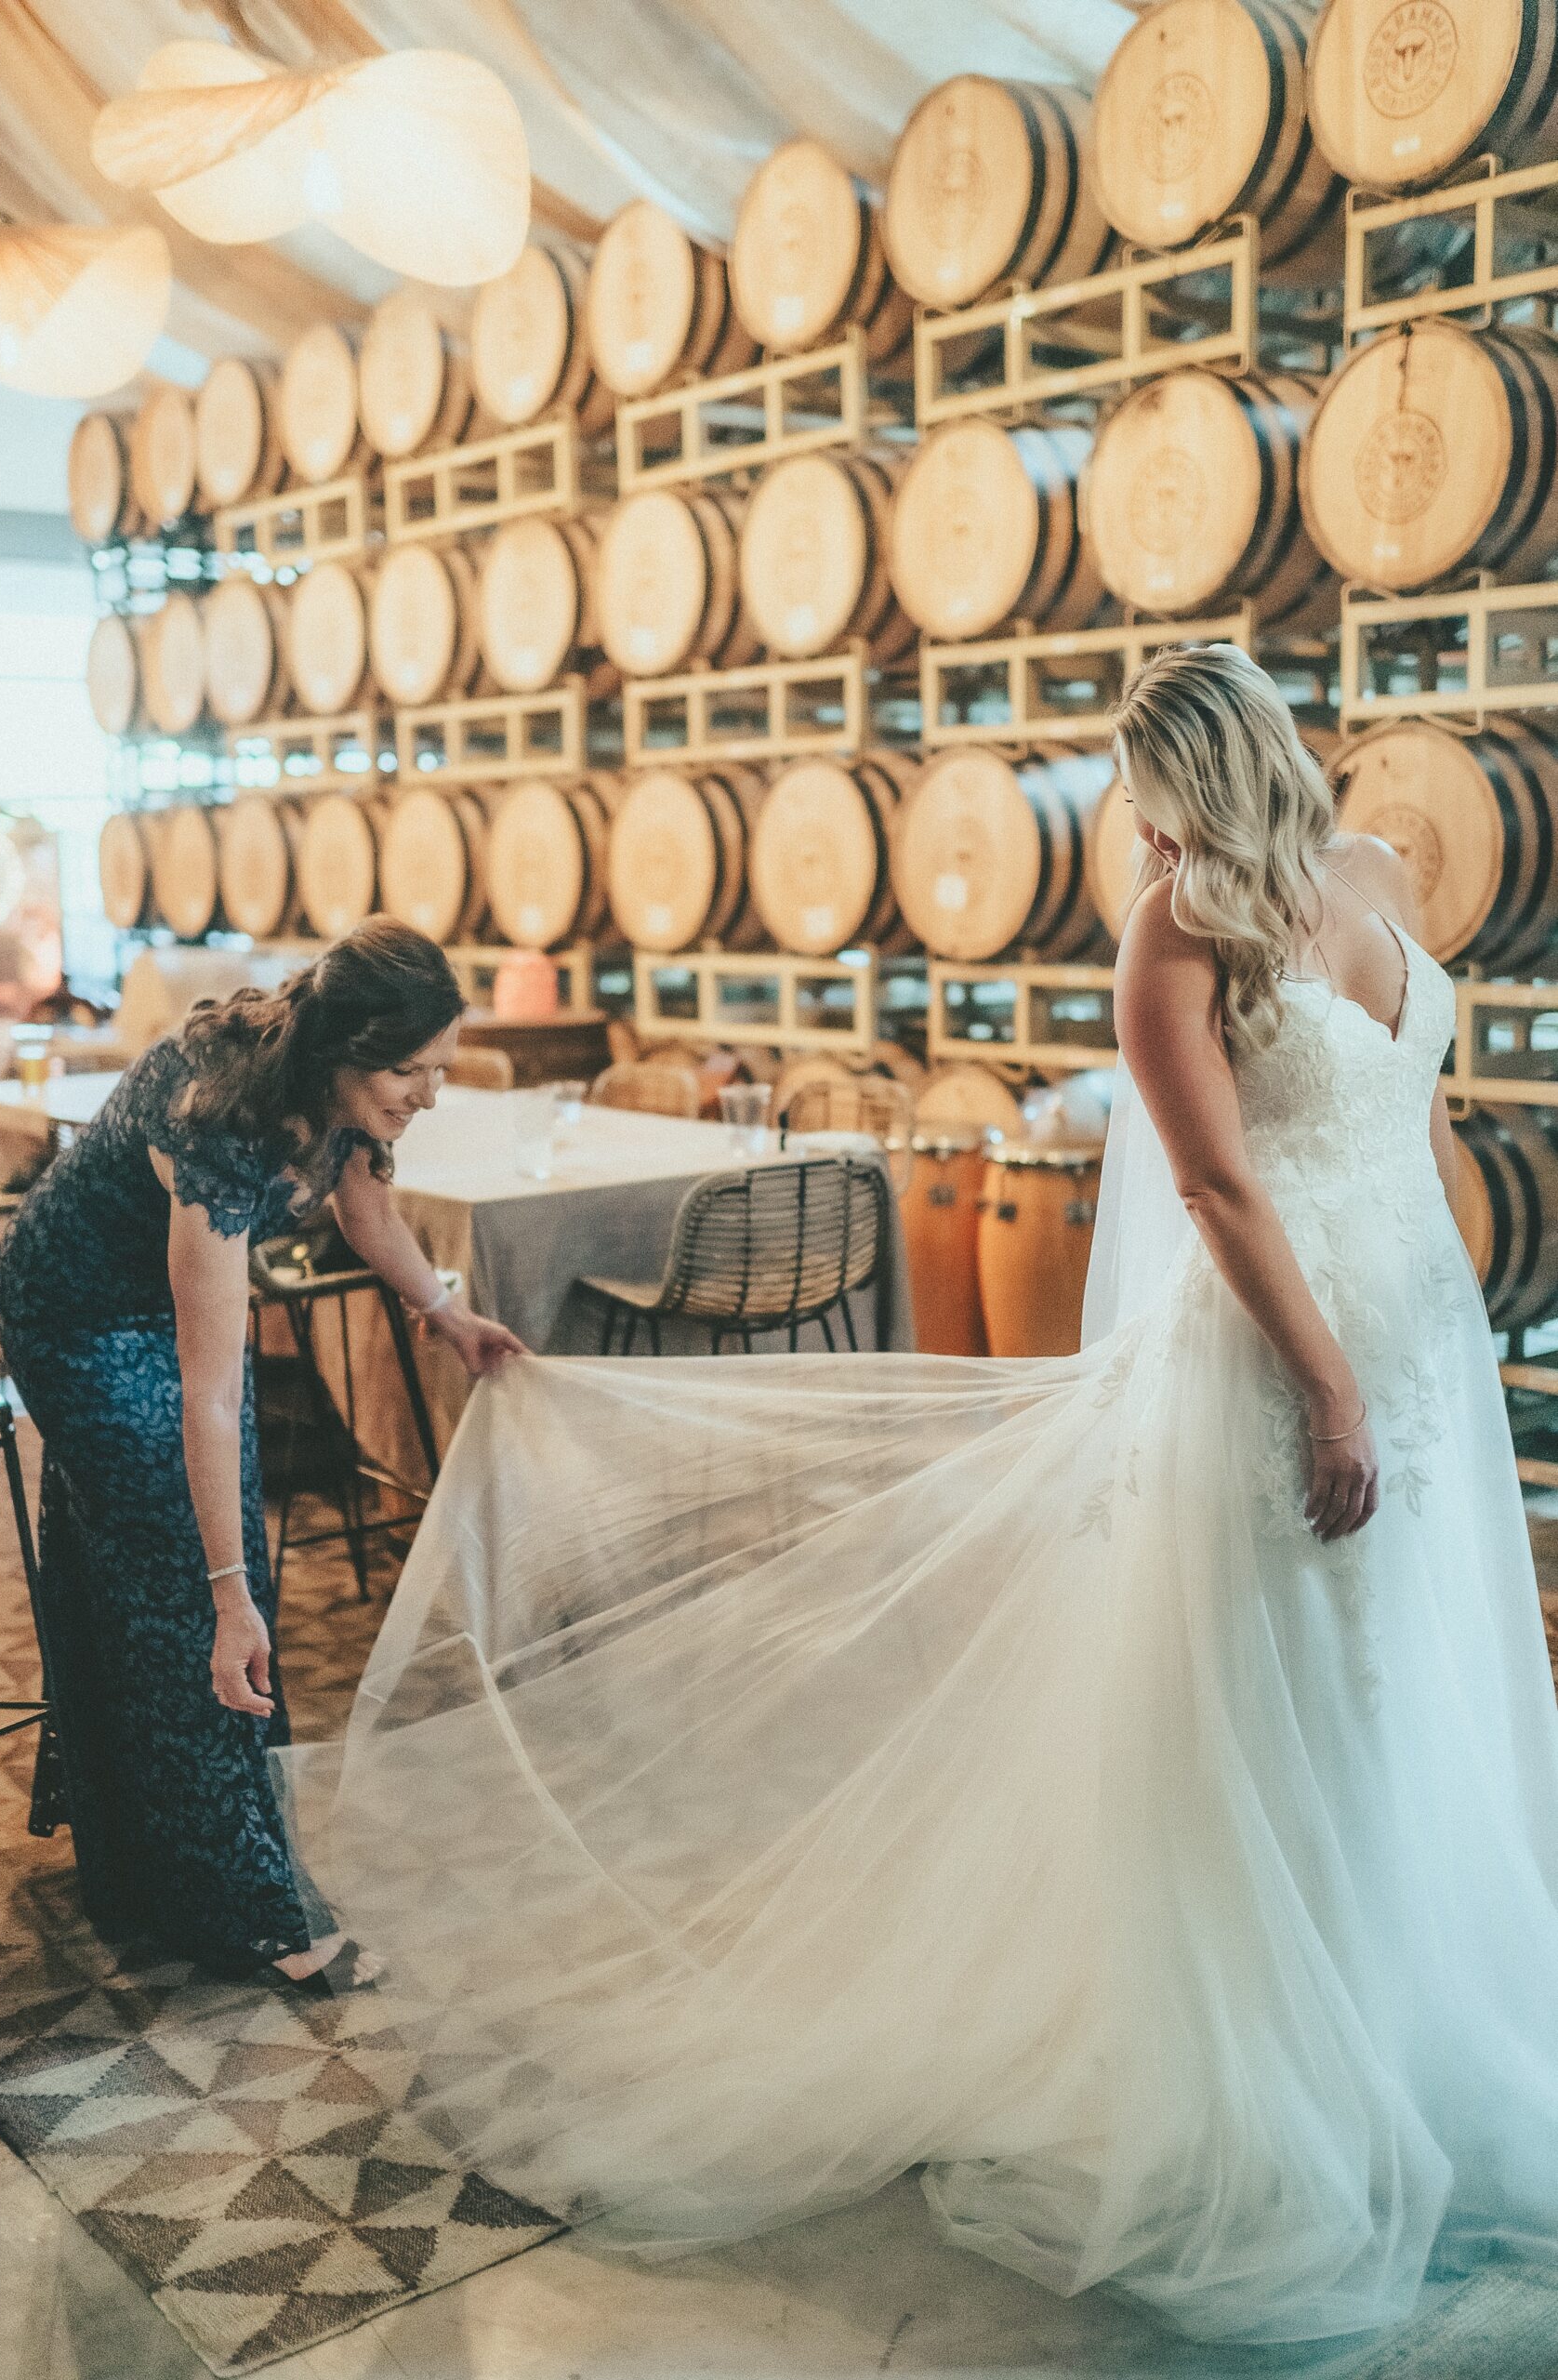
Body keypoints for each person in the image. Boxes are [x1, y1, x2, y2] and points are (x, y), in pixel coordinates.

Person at [274, 649, 1558, 2345]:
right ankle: (1279, 2074)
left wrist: (1400, 1332)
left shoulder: (1378, 881)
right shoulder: (1173, 937)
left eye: (1142, 791)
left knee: (1411, 1696)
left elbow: (1406, 1116)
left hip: (1412, 1345)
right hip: (1273, 1365)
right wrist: (1324, 1378)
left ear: (1183, 773)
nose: (1140, 830)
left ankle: (1415, 2011)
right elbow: (1212, 1188)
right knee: (1282, 1714)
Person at [0, 919, 522, 1987]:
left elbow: (363, 1195)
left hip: (156, 1315)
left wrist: (443, 1310)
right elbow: (213, 1393)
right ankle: (247, 1915)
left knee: (162, 1564)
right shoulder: (224, 1126)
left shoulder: (334, 1088)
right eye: (412, 1072)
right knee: (196, 1583)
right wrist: (235, 1595)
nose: (428, 1095)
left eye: (440, 1071)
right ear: (345, 1048)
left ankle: (143, 1864)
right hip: (75, 1314)